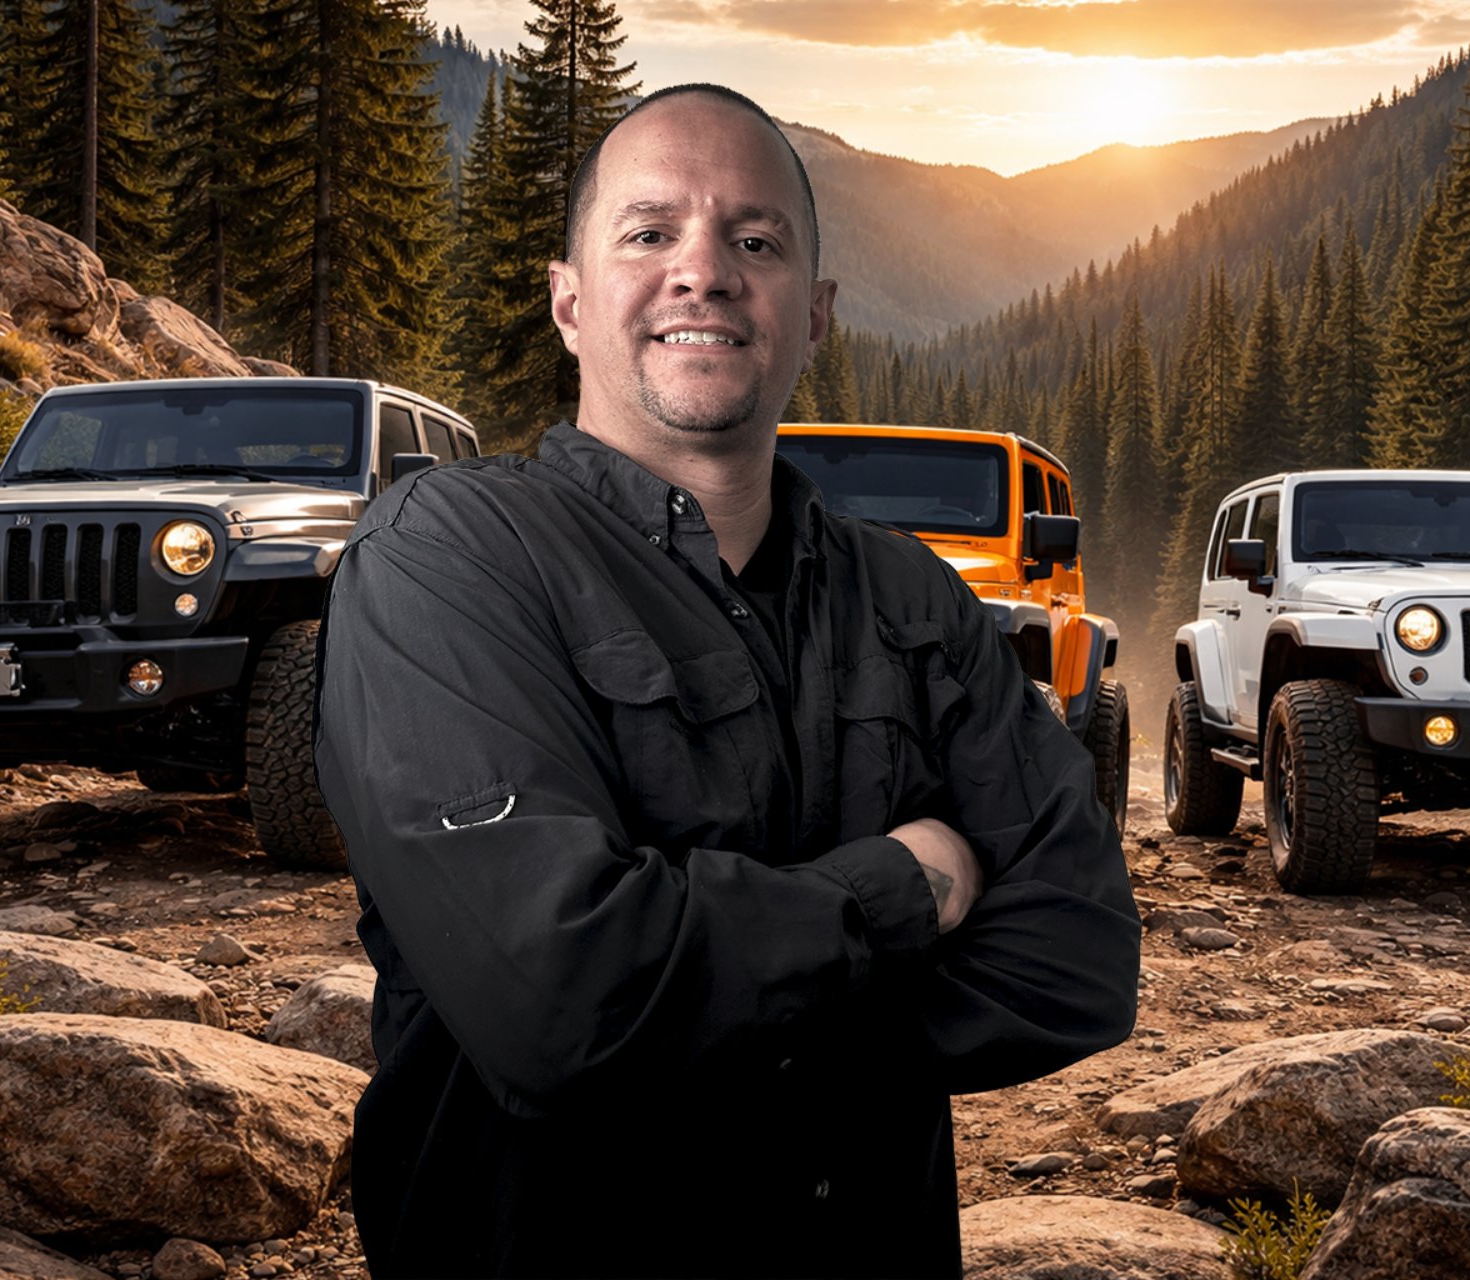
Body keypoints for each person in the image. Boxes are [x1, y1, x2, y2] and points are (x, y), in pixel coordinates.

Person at [312, 83, 1140, 1279]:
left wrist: (702, 1004)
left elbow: (1081, 955)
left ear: (816, 313)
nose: (703, 271)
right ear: (568, 300)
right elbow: (561, 1000)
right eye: (650, 232)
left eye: (755, 241)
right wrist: (907, 885)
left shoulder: (910, 598)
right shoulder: (448, 557)